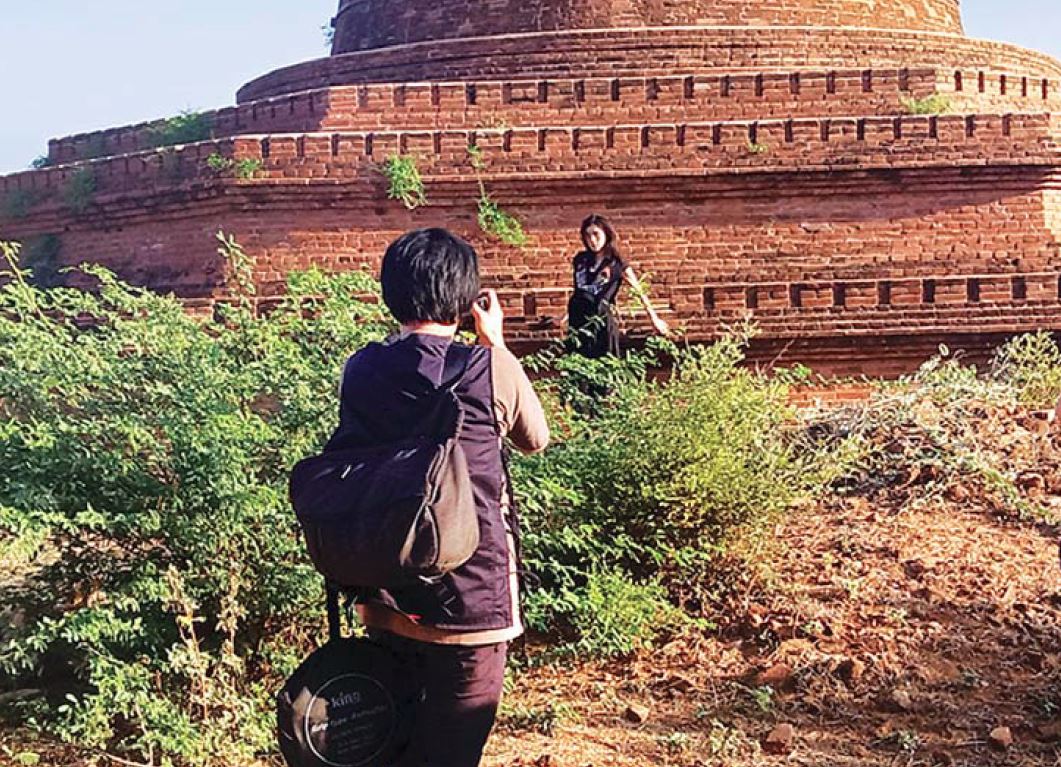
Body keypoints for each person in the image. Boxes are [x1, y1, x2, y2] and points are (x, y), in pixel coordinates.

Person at [327, 228, 550, 767]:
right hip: (472, 602)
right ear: (465, 298)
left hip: (387, 592)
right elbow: (535, 438)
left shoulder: (361, 369)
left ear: (391, 294)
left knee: (395, 748)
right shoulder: (489, 367)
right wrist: (494, 342)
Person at [566, 213, 669, 358]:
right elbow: (579, 289)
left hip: (601, 319)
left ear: (606, 234)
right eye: (588, 236)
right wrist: (564, 316)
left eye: (596, 234)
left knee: (604, 361)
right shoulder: (581, 260)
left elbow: (638, 290)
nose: (592, 240)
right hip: (578, 319)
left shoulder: (617, 263)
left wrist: (654, 319)